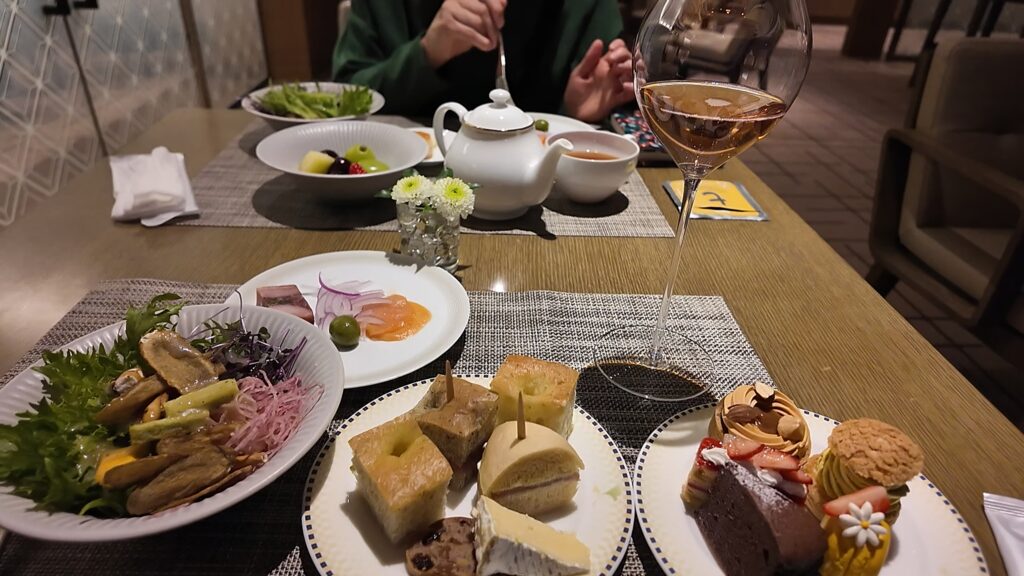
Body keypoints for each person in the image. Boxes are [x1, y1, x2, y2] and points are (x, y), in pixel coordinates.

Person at [332, 0, 634, 122]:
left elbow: (626, 134)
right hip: (403, 180)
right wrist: (427, 52)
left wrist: (571, 114)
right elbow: (343, 99)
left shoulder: (585, 7)